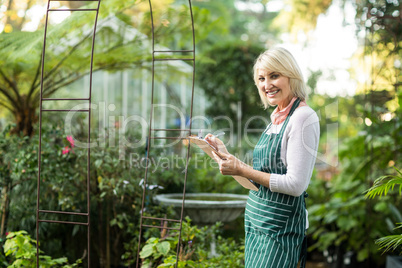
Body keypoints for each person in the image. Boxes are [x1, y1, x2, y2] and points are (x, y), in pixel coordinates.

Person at [205, 47, 320, 268]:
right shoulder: (276, 119)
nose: (267, 85)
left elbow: (296, 185)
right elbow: (259, 178)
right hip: (258, 221)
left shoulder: (303, 117)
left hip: (279, 228)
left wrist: (241, 168)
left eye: (274, 76)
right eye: (261, 78)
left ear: (291, 75)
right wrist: (225, 155)